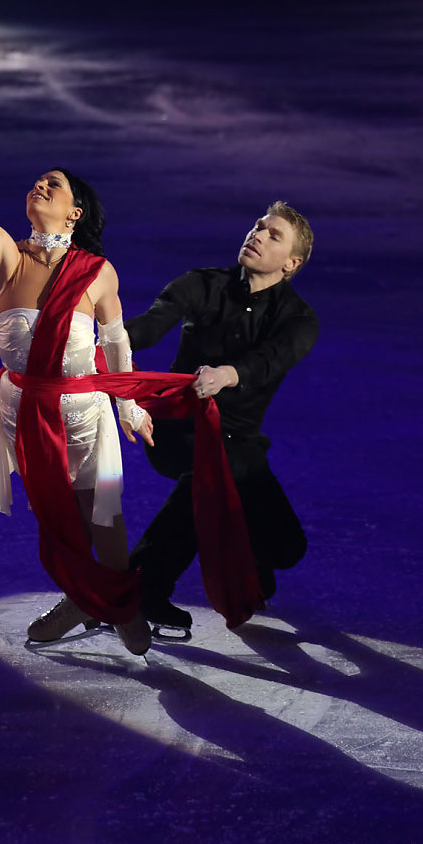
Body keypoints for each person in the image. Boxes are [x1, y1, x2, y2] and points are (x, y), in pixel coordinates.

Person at [0, 80, 155, 656]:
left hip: (88, 413)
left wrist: (130, 405)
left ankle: (118, 603)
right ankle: (81, 598)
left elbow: (116, 342)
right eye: (37, 182)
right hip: (29, 414)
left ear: (74, 212)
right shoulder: (3, 258)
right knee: (61, 522)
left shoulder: (98, 272)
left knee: (106, 520)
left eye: (53, 185)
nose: (39, 185)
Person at [124, 203, 318, 629]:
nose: (258, 235)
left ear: (292, 263)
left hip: (239, 442)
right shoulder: (202, 284)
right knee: (210, 474)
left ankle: (243, 558)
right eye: (258, 227)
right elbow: (153, 324)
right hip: (177, 431)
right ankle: (143, 585)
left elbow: (270, 360)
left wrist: (227, 375)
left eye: (273, 235)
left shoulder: (299, 320)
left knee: (287, 548)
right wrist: (107, 337)